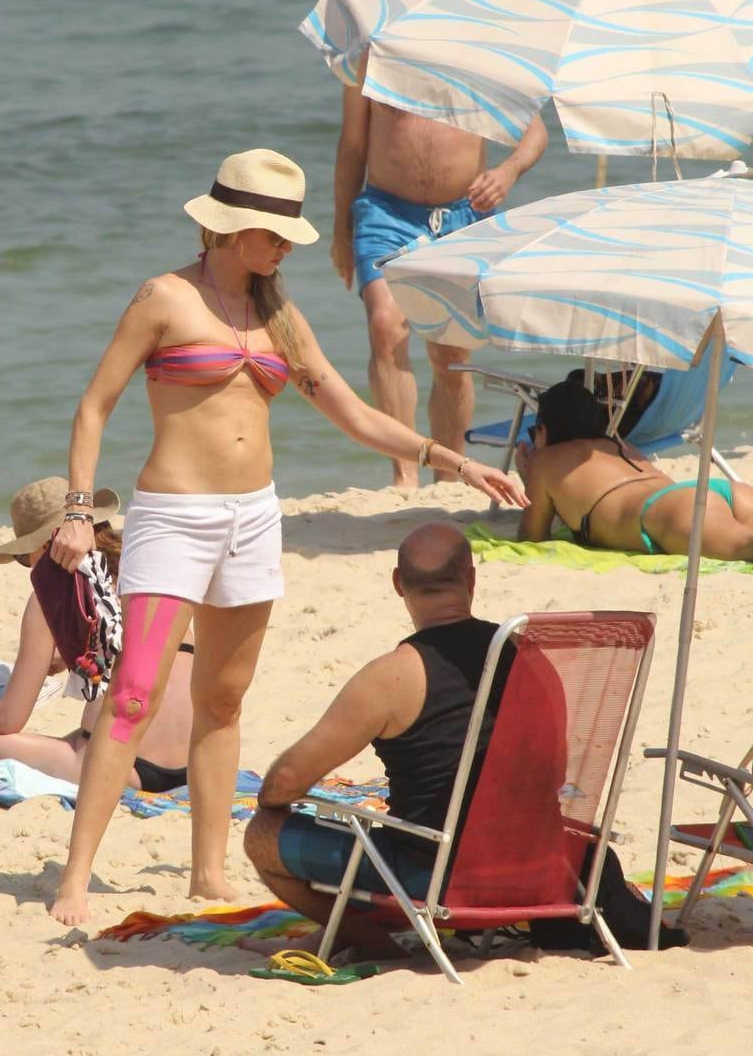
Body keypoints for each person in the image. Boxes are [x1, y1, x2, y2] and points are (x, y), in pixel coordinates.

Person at [46, 149, 527, 926]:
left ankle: (207, 873)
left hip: (252, 520)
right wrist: (77, 509)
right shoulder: (165, 298)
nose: (284, 249)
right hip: (174, 518)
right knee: (132, 695)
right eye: (274, 236)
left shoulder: (280, 318)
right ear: (234, 229)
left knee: (223, 699)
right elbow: (93, 406)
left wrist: (453, 461)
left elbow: (354, 414)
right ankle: (76, 878)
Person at [244, 523, 684, 957]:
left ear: (398, 584)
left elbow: (281, 785)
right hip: (540, 872)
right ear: (471, 579)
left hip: (437, 882)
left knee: (263, 832)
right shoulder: (530, 658)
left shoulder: (392, 676)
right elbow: (554, 772)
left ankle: (373, 943)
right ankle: (340, 935)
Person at [330, 0, 549, 486]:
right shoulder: (373, 55)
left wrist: (507, 173)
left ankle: (450, 477)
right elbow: (352, 147)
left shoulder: (477, 52)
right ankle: (404, 474)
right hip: (386, 211)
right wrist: (340, 229)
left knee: (450, 353)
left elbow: (534, 130)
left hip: (461, 215)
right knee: (386, 326)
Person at [0, 477, 193, 791]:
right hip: (194, 764)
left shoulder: (52, 593)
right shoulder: (143, 567)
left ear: (46, 545)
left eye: (24, 556)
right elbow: (134, 644)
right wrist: (71, 653)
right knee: (71, 740)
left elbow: (8, 720)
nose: (30, 567)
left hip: (118, 766)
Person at [517, 379, 753, 560]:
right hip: (715, 491)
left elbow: (532, 538)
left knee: (743, 546)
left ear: (543, 430)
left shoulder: (544, 460)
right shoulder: (621, 445)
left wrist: (529, 477)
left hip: (669, 511)